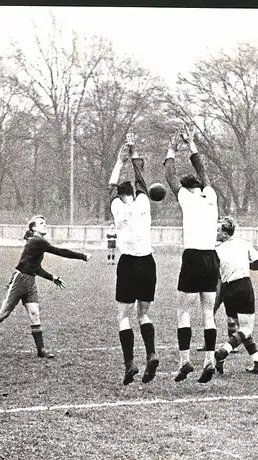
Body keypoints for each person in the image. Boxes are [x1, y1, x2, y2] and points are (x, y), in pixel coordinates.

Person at [0, 215, 91, 358]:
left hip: (30, 281)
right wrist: (82, 256)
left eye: (45, 223)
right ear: (33, 228)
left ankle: (41, 350)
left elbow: (36, 268)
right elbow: (59, 251)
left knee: (34, 313)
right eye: (41, 223)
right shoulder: (37, 241)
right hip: (19, 281)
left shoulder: (37, 242)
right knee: (3, 313)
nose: (45, 225)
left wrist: (52, 277)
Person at [164, 126, 219, 383]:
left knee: (183, 312)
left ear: (187, 188)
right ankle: (209, 359)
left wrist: (172, 149)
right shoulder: (212, 196)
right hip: (211, 258)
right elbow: (203, 171)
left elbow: (170, 176)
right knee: (208, 312)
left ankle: (185, 360)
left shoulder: (185, 197)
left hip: (193, 258)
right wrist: (192, 144)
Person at [109, 134, 159, 386]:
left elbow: (110, 186)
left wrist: (119, 162)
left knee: (123, 316)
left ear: (119, 195)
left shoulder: (116, 208)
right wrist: (132, 151)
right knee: (144, 314)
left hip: (128, 263)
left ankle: (130, 364)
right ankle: (151, 353)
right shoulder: (143, 203)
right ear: (134, 193)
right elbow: (141, 178)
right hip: (147, 263)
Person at [214, 216, 258, 374]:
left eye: (218, 231)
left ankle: (257, 363)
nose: (216, 233)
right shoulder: (243, 243)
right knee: (246, 329)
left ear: (225, 234)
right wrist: (244, 264)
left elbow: (217, 277)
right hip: (243, 286)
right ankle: (224, 350)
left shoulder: (216, 250)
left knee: (242, 330)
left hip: (228, 290)